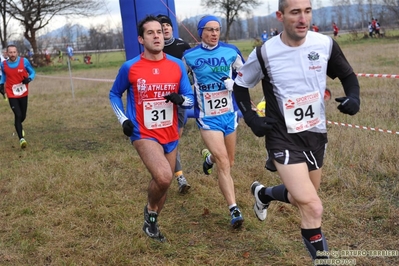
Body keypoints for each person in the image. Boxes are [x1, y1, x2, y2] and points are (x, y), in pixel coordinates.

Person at [232, 0, 360, 264]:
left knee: (301, 197)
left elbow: (348, 76)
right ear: (281, 16)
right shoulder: (265, 52)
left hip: (315, 135)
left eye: (307, 11)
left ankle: (263, 194)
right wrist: (250, 117)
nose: (303, 19)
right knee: (313, 206)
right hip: (282, 137)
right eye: (295, 13)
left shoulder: (324, 44)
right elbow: (240, 85)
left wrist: (354, 99)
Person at [109, 15, 194, 242]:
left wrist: (180, 100)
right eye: (150, 33)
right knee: (165, 177)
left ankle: (152, 222)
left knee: (162, 184)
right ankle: (150, 209)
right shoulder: (131, 67)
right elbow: (114, 93)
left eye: (159, 32)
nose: (157, 36)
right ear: (141, 39)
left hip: (170, 132)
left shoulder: (176, 66)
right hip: (143, 132)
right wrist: (123, 120)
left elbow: (191, 99)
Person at [182, 15, 245, 229]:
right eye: (209, 30)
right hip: (207, 117)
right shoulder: (189, 56)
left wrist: (234, 82)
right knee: (224, 163)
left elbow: (247, 76)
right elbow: (180, 81)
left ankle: (208, 159)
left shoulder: (231, 51)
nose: (214, 33)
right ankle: (234, 209)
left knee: (229, 161)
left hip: (229, 115)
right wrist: (185, 92)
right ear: (201, 32)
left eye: (217, 29)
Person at [157, 14, 192, 194]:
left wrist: (191, 87)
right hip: (159, 103)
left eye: (167, 26)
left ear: (172, 28)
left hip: (180, 102)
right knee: (165, 141)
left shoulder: (182, 46)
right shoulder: (155, 49)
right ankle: (179, 176)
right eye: (161, 27)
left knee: (174, 140)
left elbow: (192, 71)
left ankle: (169, 171)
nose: (165, 29)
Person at [0, 44, 36, 148]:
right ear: (7, 53)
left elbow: (33, 72)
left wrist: (29, 79)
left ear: (17, 53)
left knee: (23, 116)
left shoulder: (24, 61)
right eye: (10, 52)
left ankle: (18, 126)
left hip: (23, 92)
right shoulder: (3, 64)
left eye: (14, 52)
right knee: (18, 114)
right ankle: (21, 139)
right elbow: (4, 76)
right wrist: (1, 84)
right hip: (11, 93)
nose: (12, 54)